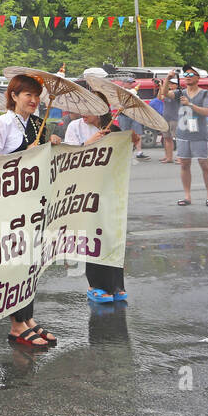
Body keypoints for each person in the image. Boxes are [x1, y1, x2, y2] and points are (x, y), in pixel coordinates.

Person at [0, 73, 61, 349]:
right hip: (10, 202)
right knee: (16, 261)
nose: (34, 100)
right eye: (28, 94)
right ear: (14, 96)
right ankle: (16, 324)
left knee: (31, 261)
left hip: (33, 200)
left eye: (37, 95)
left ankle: (27, 317)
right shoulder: (2, 123)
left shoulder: (38, 123)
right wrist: (21, 153)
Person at [63, 111, 127, 303]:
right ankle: (95, 285)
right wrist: (88, 143)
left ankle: (116, 285)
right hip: (85, 190)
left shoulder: (114, 129)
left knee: (112, 234)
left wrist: (129, 141)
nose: (84, 114)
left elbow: (121, 156)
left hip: (109, 188)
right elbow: (68, 155)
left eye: (89, 111)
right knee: (93, 235)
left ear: (101, 112)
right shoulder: (75, 127)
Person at [165, 66, 208, 207]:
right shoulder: (179, 92)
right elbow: (164, 94)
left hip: (199, 135)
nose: (187, 76)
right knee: (184, 164)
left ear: (198, 78)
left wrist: (190, 104)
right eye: (185, 74)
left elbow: (207, 112)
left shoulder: (205, 94)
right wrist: (167, 79)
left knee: (204, 164)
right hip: (182, 134)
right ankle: (187, 196)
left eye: (191, 74)